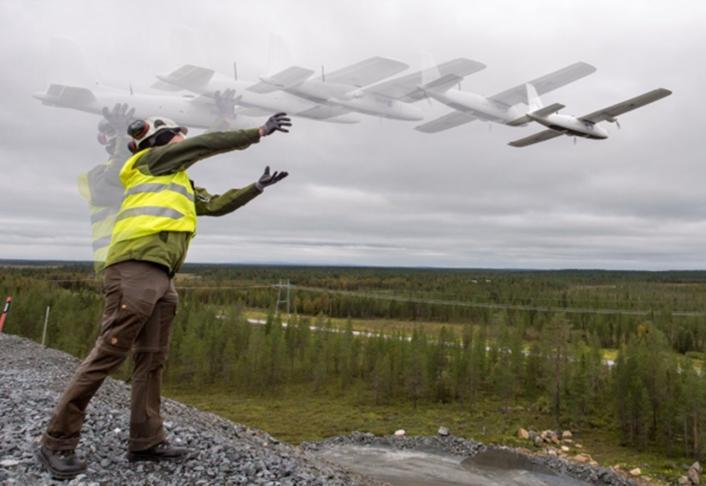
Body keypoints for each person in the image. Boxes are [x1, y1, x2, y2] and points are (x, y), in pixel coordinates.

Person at [37, 112, 292, 480]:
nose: (181, 139)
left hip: (161, 276)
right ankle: (57, 441)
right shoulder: (152, 162)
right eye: (175, 135)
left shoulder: (179, 181)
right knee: (107, 354)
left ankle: (146, 440)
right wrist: (258, 132)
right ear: (158, 141)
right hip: (134, 268)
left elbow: (215, 205)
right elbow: (203, 145)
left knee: (152, 360)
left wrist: (255, 187)